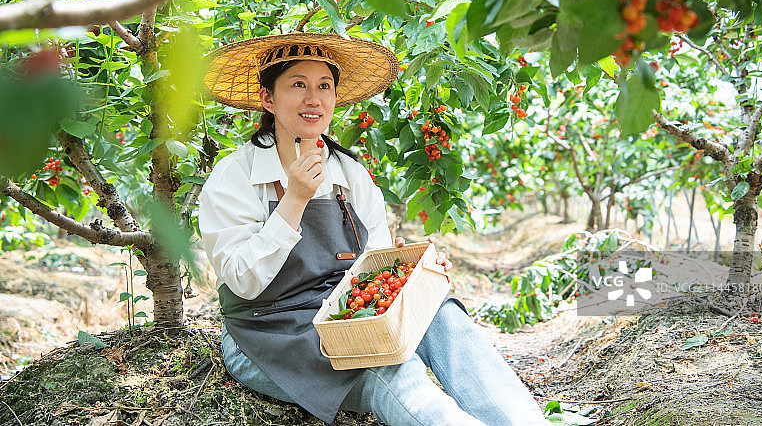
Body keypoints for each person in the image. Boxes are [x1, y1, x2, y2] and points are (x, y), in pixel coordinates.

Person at [199, 33, 548, 426]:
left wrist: (407, 277)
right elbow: (244, 282)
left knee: (440, 313)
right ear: (268, 98)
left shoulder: (349, 173)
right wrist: (293, 200)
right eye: (298, 84)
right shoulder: (235, 176)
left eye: (324, 86)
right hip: (272, 338)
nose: (313, 98)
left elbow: (369, 268)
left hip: (348, 319)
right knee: (392, 369)